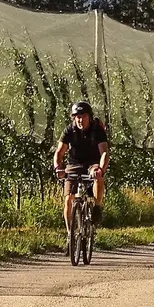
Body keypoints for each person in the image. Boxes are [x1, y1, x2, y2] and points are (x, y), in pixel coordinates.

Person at [53, 100, 109, 244]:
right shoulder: (69, 130)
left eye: (83, 116)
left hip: (92, 163)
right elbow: (59, 152)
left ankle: (96, 206)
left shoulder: (97, 130)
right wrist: (58, 167)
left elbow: (104, 153)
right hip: (74, 164)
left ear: (89, 117)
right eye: (77, 116)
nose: (80, 119)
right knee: (68, 199)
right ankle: (70, 235)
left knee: (97, 176)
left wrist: (101, 170)